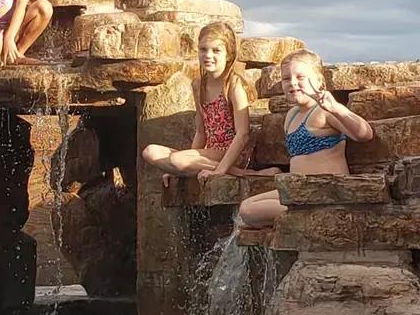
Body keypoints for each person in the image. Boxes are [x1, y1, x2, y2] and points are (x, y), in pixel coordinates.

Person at [239, 48, 373, 228]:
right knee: (246, 206)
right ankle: (299, 219)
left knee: (249, 212)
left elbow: (365, 134)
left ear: (319, 81)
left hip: (324, 192)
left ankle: (316, 216)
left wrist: (336, 109)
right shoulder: (292, 115)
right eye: (286, 79)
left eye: (300, 77)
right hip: (299, 191)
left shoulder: (325, 111)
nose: (293, 83)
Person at [142, 21, 280, 183]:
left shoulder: (233, 86)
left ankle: (247, 173)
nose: (208, 55)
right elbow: (201, 132)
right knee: (150, 152)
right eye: (203, 49)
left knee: (178, 160)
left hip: (232, 154)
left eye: (216, 51)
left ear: (228, 55)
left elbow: (243, 134)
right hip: (209, 154)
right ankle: (187, 165)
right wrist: (180, 169)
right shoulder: (198, 85)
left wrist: (220, 169)